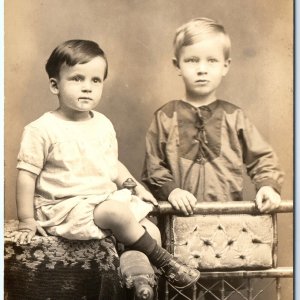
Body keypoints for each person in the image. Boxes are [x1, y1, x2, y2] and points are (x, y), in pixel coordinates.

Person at [8, 39, 200, 290]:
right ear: (55, 85)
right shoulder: (42, 129)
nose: (87, 88)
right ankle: (168, 264)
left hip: (102, 200)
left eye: (95, 80)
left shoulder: (102, 124)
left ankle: (140, 282)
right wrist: (26, 219)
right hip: (66, 206)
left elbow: (110, 163)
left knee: (151, 231)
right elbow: (26, 176)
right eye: (77, 79)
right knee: (117, 213)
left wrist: (135, 187)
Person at [142, 18, 284, 298]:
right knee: (177, 290)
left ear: (225, 66)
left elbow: (262, 158)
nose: (202, 69)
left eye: (211, 61)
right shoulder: (165, 116)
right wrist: (172, 191)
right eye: (192, 60)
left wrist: (267, 185)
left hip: (226, 229)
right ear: (177, 66)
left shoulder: (235, 117)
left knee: (224, 290)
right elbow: (152, 167)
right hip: (179, 226)